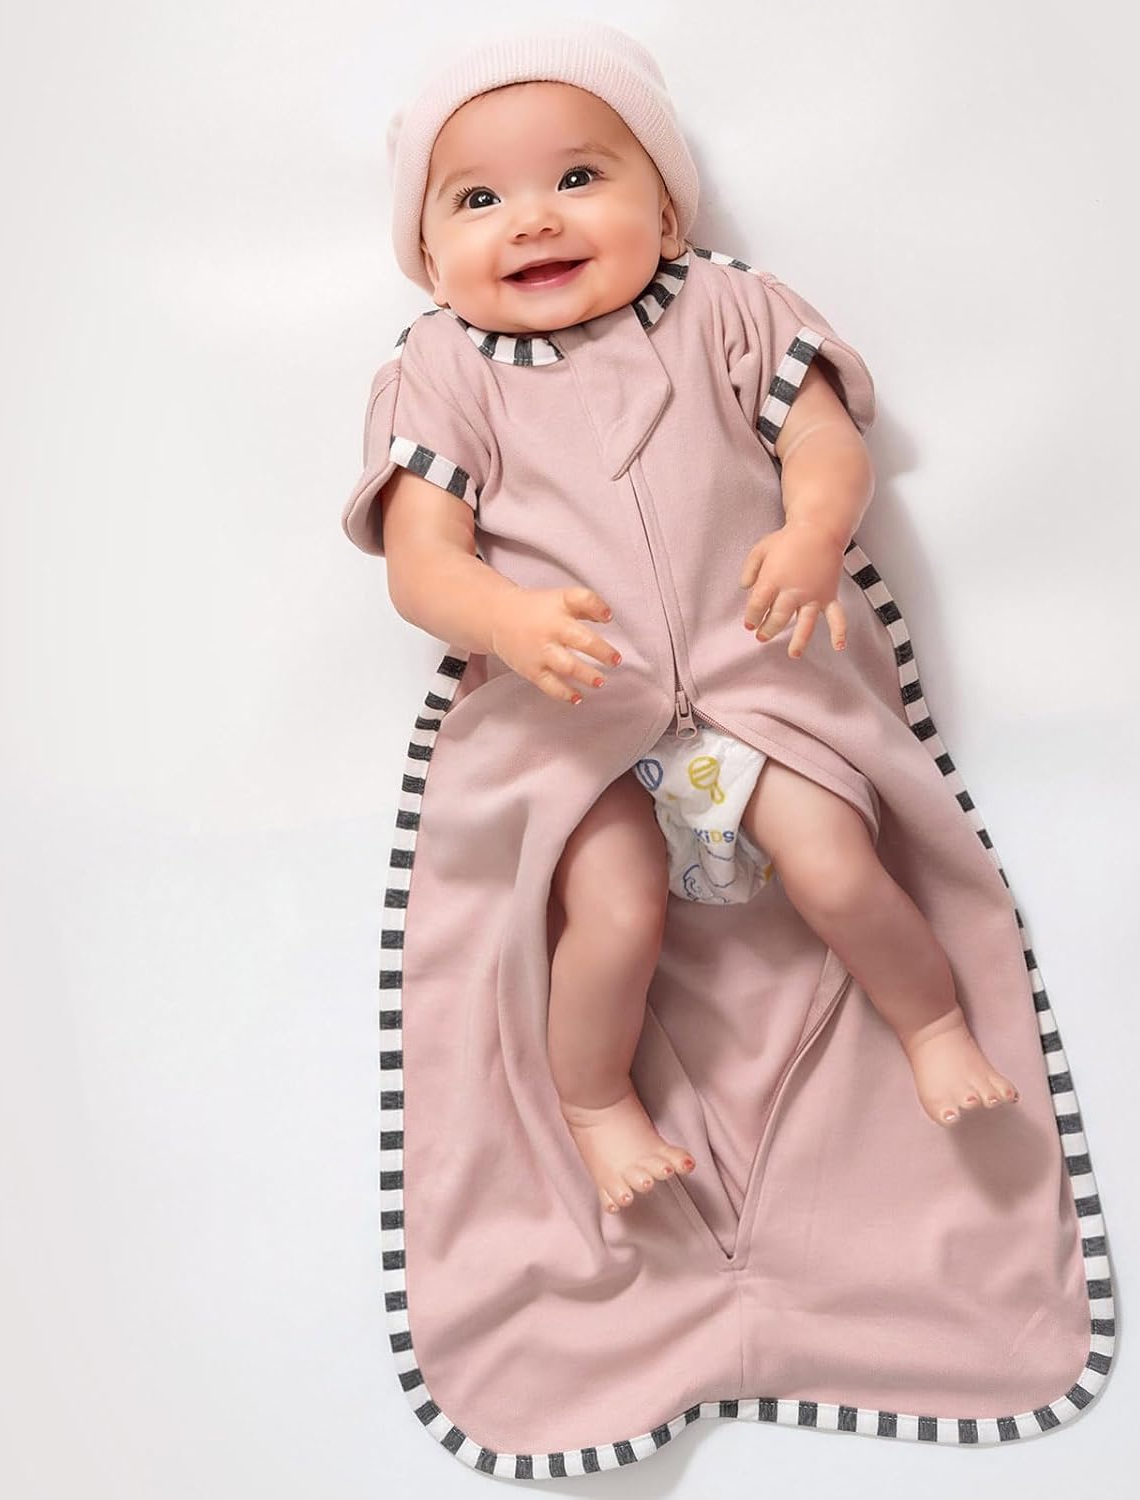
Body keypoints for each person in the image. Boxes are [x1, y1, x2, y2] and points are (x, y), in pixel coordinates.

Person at [349, 21, 1019, 1218]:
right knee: (614, 912)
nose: (533, 220)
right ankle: (598, 1102)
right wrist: (505, 618)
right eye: (479, 199)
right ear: (431, 260)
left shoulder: (728, 309)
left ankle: (931, 1024)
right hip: (580, 714)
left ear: (666, 213)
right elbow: (421, 563)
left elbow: (824, 441)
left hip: (751, 678)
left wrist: (813, 532)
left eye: (579, 177)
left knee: (838, 864)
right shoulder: (440, 372)